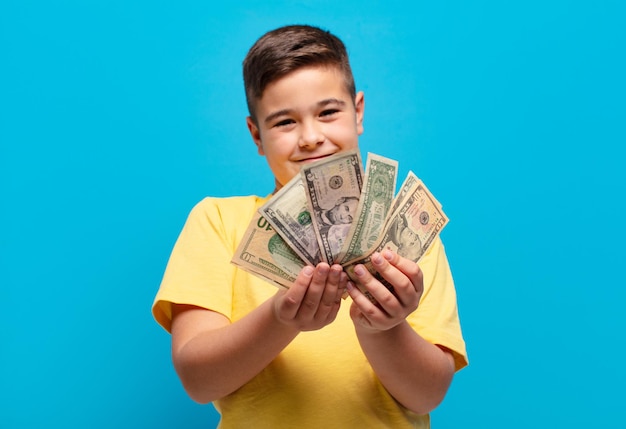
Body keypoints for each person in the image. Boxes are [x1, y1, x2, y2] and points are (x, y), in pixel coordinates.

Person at [152, 24, 467, 428]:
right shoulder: (217, 222)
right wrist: (281, 319)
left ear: (359, 112)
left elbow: (428, 394)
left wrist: (385, 328)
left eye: (328, 112)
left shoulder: (405, 236)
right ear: (256, 135)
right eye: (285, 122)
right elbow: (198, 380)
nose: (311, 138)